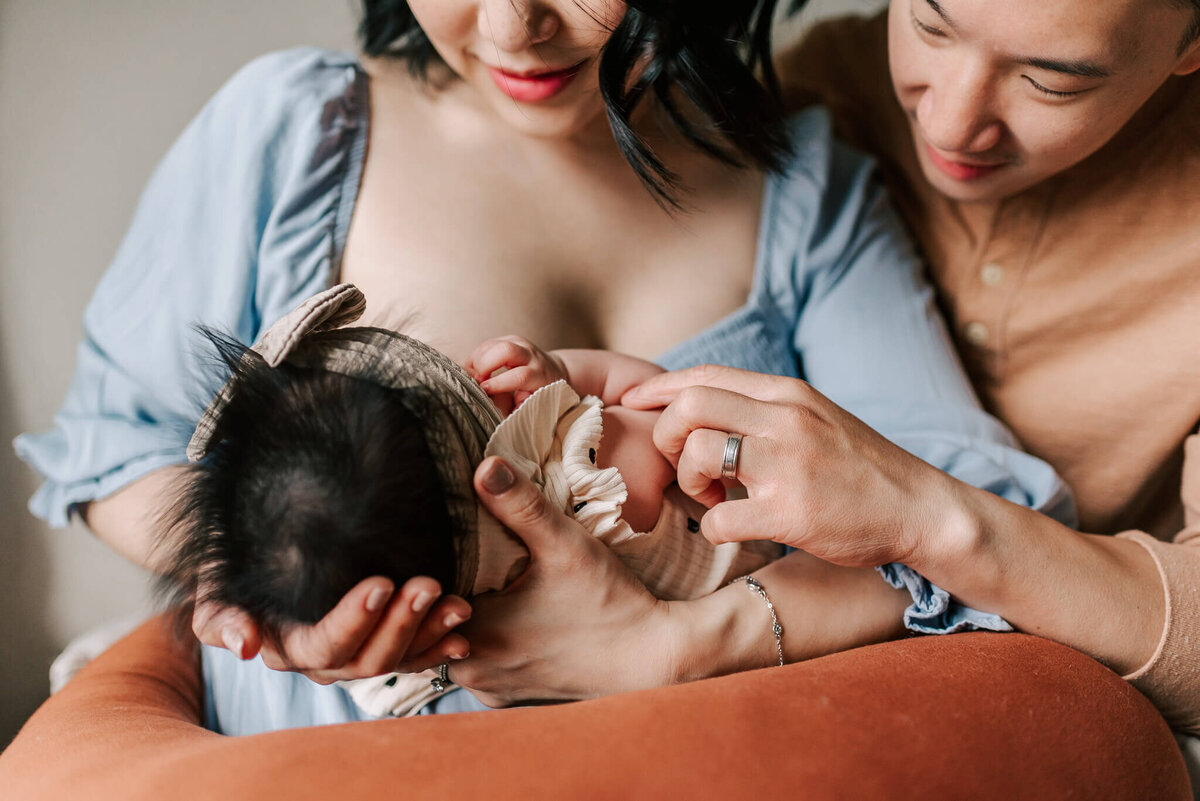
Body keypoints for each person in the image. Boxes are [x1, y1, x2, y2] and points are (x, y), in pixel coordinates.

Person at [13, 0, 1074, 732]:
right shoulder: (298, 134)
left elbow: (981, 530)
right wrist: (280, 597)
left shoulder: (798, 199)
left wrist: (677, 643)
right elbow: (115, 450)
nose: (518, 24)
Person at [606, 0, 1200, 736]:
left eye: (1051, 83)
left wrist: (926, 520)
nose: (951, 123)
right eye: (930, 26)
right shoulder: (812, 92)